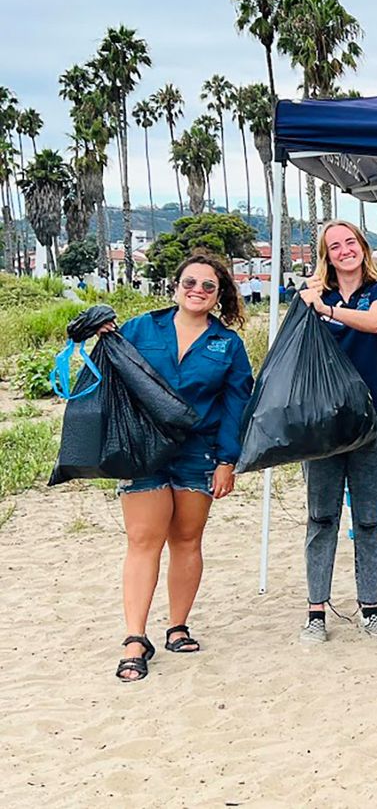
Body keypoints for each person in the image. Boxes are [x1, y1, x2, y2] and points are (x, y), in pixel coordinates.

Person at [107, 254, 253, 681]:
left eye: (209, 286)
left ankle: (177, 626)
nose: (198, 290)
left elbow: (236, 405)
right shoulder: (139, 329)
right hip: (144, 448)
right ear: (175, 286)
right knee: (143, 540)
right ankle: (135, 638)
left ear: (219, 295)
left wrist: (228, 460)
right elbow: (108, 371)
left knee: (187, 539)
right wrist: (95, 333)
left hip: (198, 452)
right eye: (190, 282)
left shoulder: (227, 345)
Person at [298, 220, 377, 645]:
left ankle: (370, 607)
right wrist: (311, 299)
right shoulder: (308, 295)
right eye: (334, 246)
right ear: (326, 254)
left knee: (370, 519)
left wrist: (329, 310)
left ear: (363, 246)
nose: (344, 250)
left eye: (350, 242)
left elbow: (375, 323)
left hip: (371, 418)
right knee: (321, 517)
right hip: (322, 423)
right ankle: (316, 610)